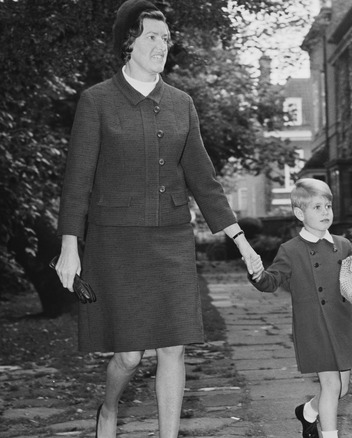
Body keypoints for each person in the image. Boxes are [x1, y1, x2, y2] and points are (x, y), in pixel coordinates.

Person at [52, 1, 261, 437]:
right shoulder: (97, 101)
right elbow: (77, 181)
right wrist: (69, 247)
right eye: (151, 36)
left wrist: (242, 242)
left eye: (165, 38)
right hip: (116, 243)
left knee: (174, 350)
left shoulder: (182, 104)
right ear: (128, 42)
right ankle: (108, 410)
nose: (161, 45)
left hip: (171, 240)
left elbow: (204, 181)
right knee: (129, 357)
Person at [247, 178, 352, 438]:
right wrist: (258, 275)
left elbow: (349, 278)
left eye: (328, 206)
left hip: (341, 323)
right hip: (314, 326)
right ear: (300, 213)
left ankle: (308, 412)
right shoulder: (290, 250)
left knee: (343, 388)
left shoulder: (343, 244)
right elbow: (272, 281)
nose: (325, 212)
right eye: (317, 207)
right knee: (331, 384)